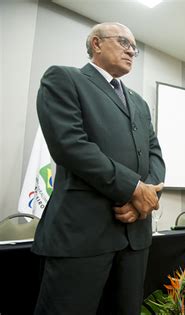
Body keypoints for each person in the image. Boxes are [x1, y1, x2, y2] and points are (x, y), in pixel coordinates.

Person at [32, 22, 166, 315]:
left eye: (135, 48)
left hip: (134, 236)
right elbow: (71, 146)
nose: (132, 51)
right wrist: (134, 188)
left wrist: (145, 200)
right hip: (83, 235)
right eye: (124, 43)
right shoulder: (64, 79)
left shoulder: (139, 103)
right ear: (96, 43)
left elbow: (154, 154)